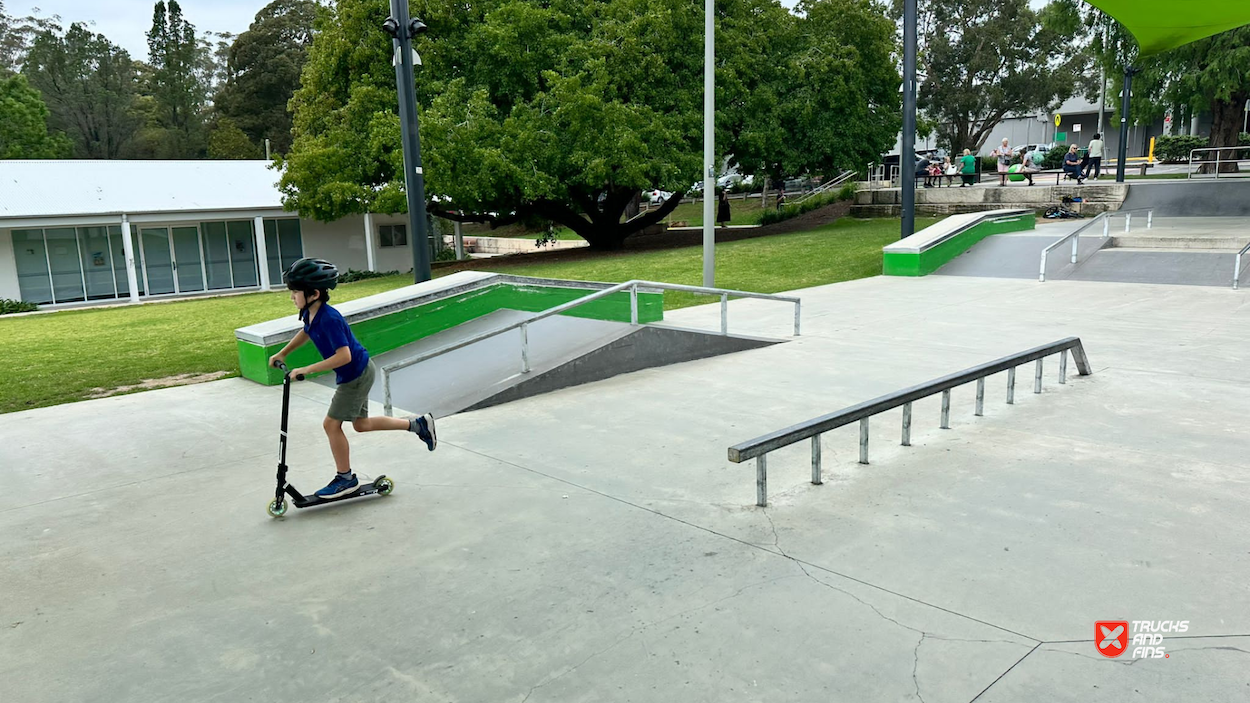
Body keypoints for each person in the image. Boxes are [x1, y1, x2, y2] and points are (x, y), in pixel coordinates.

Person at [268, 257, 437, 499]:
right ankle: (418, 424)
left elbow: (344, 356)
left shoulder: (329, 318)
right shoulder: (311, 314)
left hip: (355, 374)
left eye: (295, 292)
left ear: (314, 293)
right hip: (359, 370)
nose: (292, 296)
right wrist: (283, 352)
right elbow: (306, 331)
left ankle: (345, 479)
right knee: (361, 425)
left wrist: (307, 369)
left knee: (331, 424)